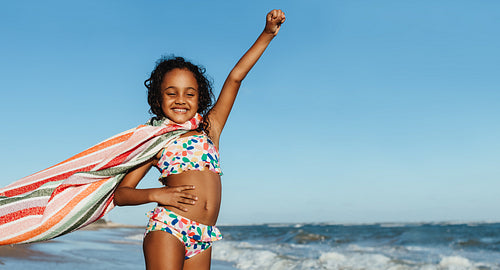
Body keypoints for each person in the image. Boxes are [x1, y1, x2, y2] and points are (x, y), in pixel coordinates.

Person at [112, 9, 286, 270]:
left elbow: (235, 78)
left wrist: (267, 35)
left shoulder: (209, 128)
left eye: (189, 93)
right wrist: (159, 194)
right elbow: (122, 195)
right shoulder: (156, 142)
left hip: (203, 236)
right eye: (171, 93)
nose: (181, 99)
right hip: (168, 228)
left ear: (199, 97)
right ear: (158, 100)